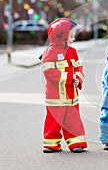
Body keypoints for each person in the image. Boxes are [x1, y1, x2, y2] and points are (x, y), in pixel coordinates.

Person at [40, 18, 87, 153]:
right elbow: (49, 73)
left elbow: (79, 68)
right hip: (56, 97)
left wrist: (78, 78)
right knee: (54, 120)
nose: (73, 39)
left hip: (71, 96)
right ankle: (51, 143)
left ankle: (76, 143)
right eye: (71, 36)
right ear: (60, 37)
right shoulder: (50, 53)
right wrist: (70, 78)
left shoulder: (73, 52)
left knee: (73, 120)